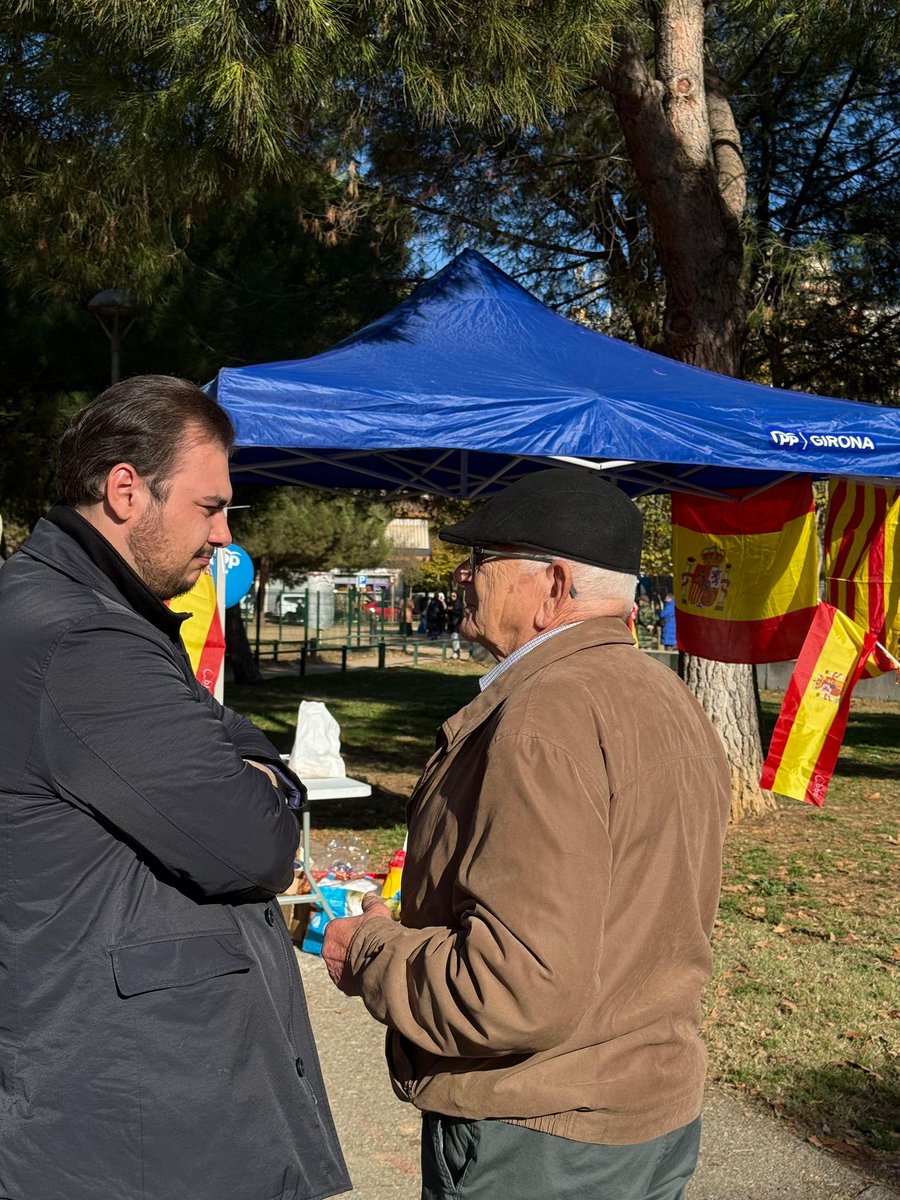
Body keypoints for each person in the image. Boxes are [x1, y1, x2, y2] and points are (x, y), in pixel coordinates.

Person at [322, 469, 730, 1200]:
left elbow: (513, 988)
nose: (464, 577)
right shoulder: (662, 694)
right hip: (642, 1115)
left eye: (483, 561)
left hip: (539, 1139)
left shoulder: (546, 715)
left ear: (554, 586)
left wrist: (374, 950)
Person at [0, 376, 350, 1200]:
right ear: (126, 489)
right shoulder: (84, 638)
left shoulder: (59, 607)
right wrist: (274, 777)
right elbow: (254, 845)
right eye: (209, 508)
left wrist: (247, 761)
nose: (223, 539)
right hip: (143, 1120)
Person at [445, 588, 465, 658]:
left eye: (454, 596)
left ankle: (456, 653)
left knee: (455, 638)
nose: (452, 597)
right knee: (453, 638)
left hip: (457, 623)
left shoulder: (459, 604)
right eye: (451, 596)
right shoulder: (450, 603)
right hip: (451, 623)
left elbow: (460, 613)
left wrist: (452, 610)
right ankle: (455, 652)